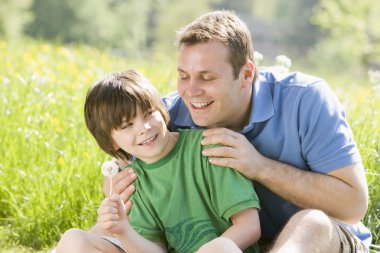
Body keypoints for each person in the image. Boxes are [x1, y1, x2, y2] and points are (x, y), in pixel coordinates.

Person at [106, 10, 372, 253]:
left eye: (207, 77)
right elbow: (122, 163)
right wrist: (113, 183)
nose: (190, 90)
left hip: (316, 243)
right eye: (184, 76)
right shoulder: (166, 117)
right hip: (227, 247)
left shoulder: (305, 99)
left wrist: (260, 166)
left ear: (246, 74)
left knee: (312, 223)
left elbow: (353, 206)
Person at [56, 69, 261, 253]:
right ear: (111, 141)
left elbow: (250, 226)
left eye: (148, 114)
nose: (144, 127)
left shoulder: (209, 148)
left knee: (221, 248)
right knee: (73, 240)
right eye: (127, 125)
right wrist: (123, 231)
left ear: (161, 110)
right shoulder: (134, 182)